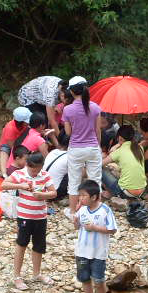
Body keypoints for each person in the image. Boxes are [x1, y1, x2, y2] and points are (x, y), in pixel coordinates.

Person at [1, 152, 57, 290]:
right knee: (22, 244)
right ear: (27, 165)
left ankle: (37, 274)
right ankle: (17, 276)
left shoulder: (45, 175)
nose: (34, 173)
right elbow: (4, 185)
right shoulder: (20, 174)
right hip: (25, 216)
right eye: (32, 170)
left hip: (41, 216)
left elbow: (53, 192)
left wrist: (42, 195)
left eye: (37, 170)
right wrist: (21, 186)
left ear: (41, 167)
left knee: (39, 245)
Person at [73, 180, 117, 293]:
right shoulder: (82, 209)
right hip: (82, 251)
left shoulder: (105, 210)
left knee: (99, 280)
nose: (80, 198)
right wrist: (75, 221)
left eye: (83, 195)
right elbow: (77, 227)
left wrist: (95, 228)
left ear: (93, 197)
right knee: (85, 278)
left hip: (98, 252)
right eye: (79, 195)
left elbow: (112, 229)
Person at [63, 76, 103, 215]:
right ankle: (96, 210)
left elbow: (68, 132)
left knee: (74, 181)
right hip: (93, 148)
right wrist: (98, 146)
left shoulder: (68, 109)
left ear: (72, 92)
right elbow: (98, 130)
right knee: (95, 180)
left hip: (76, 148)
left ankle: (73, 212)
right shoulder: (95, 107)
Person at [17, 76, 65, 147]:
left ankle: (52, 140)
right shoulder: (51, 95)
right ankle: (46, 143)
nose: (64, 101)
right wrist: (62, 140)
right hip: (27, 96)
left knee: (46, 118)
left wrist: (54, 107)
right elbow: (52, 121)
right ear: (60, 93)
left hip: (40, 96)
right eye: (63, 98)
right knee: (41, 121)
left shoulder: (65, 86)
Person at [101, 125, 147, 200]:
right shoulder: (139, 148)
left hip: (126, 193)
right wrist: (119, 144)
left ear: (120, 138)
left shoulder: (119, 151)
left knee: (101, 170)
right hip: (142, 190)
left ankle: (110, 193)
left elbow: (100, 164)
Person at [0, 106, 32, 177]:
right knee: (4, 149)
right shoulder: (10, 128)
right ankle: (4, 172)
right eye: (26, 122)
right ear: (20, 122)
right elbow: (12, 146)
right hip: (10, 147)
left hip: (21, 144)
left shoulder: (25, 125)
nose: (28, 123)